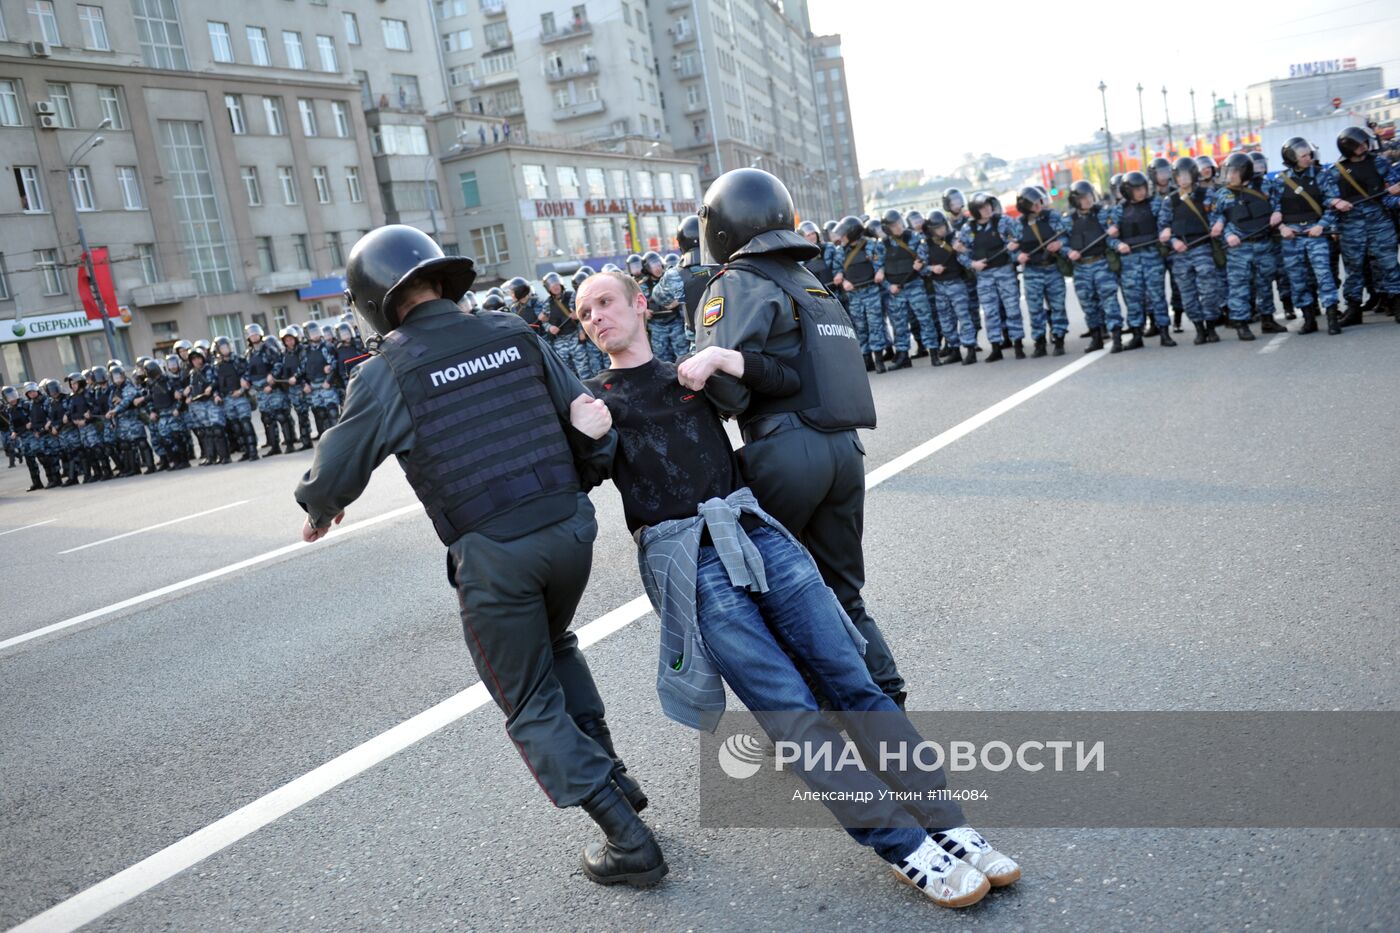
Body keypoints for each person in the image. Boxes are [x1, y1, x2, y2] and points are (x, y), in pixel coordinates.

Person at [575, 269, 1019, 910]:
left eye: (605, 303)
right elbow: (581, 479)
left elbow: (786, 383)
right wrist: (586, 438)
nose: (595, 318)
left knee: (852, 681)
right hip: (686, 561)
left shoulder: (689, 376)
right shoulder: (596, 399)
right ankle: (907, 849)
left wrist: (724, 358)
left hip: (756, 531)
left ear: (639, 305)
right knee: (790, 711)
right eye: (584, 313)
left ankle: (950, 826)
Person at [295, 225, 665, 888]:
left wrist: (320, 506)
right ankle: (617, 778)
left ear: (376, 299)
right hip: (570, 531)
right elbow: (584, 412)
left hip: (498, 554)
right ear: (441, 277)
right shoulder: (513, 331)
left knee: (526, 699)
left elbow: (331, 476)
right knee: (554, 646)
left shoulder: (388, 372)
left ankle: (627, 836)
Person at [688, 168, 908, 708]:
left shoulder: (737, 283)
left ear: (720, 227)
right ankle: (887, 697)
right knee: (842, 590)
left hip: (785, 448)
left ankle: (806, 719)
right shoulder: (811, 283)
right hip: (843, 451)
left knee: (771, 593)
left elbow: (727, 393)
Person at [1325, 125, 1400, 325]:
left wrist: (1394, 193)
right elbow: (1328, 199)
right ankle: (1353, 308)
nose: (1363, 146)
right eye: (1358, 144)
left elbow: (1391, 193)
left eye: (1364, 142)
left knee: (1389, 263)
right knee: (1354, 268)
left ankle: (1396, 301)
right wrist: (1336, 206)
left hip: (1379, 220)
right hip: (1351, 224)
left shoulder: (1380, 163)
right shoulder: (1335, 172)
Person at [1273, 137, 1340, 335]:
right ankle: (1309, 319)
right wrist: (1282, 227)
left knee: (1324, 275)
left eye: (1308, 154)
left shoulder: (1322, 175)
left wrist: (1322, 225)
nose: (1307, 158)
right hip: (1292, 237)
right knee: (1297, 278)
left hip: (1315, 233)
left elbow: (1332, 203)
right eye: (1302, 155)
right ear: (1291, 158)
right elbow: (1275, 210)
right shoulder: (1280, 181)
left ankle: (1332, 317)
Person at [1210, 152, 1280, 341]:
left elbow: (1277, 205)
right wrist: (1227, 233)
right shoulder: (1223, 194)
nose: (1230, 176)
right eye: (1228, 172)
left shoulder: (1264, 186)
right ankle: (1241, 323)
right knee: (1239, 286)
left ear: (1245, 172)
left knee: (1265, 283)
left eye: (1234, 172)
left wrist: (1277, 214)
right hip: (1239, 247)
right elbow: (1216, 218)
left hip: (1263, 242)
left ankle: (1267, 319)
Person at [1157, 157, 1225, 345]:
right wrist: (1172, 241)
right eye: (1179, 176)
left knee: (1210, 290)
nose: (1183, 179)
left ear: (1193, 174)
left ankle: (1211, 326)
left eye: (1186, 175)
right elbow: (1162, 227)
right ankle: (1199, 329)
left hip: (1202, 247)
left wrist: (1217, 224)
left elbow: (1217, 213)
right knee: (1187, 294)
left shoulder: (1207, 194)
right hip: (1180, 253)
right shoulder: (1170, 201)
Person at [1108, 172, 1176, 350]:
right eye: (1137, 189)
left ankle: (1164, 332)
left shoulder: (1155, 204)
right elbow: (1109, 237)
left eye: (1143, 188)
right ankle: (1137, 334)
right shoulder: (1118, 210)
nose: (1141, 192)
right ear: (1127, 191)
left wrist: (1165, 230)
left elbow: (1165, 222)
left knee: (1157, 295)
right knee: (1133, 298)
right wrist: (1118, 244)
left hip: (1152, 255)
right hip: (1129, 259)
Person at [957, 192, 1024, 361]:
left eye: (988, 206)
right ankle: (995, 346)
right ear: (974, 210)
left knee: (1012, 308)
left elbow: (1019, 237)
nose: (987, 209)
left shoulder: (1003, 221)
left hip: (1004, 271)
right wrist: (973, 264)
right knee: (990, 311)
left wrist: (1014, 245)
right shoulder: (968, 229)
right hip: (984, 276)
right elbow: (961, 254)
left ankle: (1018, 344)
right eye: (982, 207)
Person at [1064, 180, 1123, 352]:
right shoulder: (1069, 220)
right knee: (1088, 304)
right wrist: (1068, 252)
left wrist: (1114, 231)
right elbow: (1062, 241)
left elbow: (1112, 232)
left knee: (1109, 301)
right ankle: (1096, 337)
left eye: (1089, 196)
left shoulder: (1102, 214)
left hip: (1101, 263)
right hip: (1081, 267)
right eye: (1083, 198)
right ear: (1075, 200)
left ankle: (1117, 337)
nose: (1088, 200)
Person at [1014, 186, 1071, 356]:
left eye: (1039, 201)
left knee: (1058, 306)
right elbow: (1010, 247)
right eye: (1033, 203)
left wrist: (1059, 244)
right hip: (1032, 271)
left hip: (1052, 267)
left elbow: (1066, 234)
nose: (1038, 205)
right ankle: (1039, 342)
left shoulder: (1052, 216)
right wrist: (1018, 256)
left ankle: (1059, 339)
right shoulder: (1018, 224)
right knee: (1035, 308)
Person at [880, 209, 940, 368]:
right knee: (899, 325)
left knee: (925, 320)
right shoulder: (883, 245)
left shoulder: (914, 238)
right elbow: (878, 270)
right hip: (895, 290)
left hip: (914, 286)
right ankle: (903, 356)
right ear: (887, 228)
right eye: (894, 225)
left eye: (899, 222)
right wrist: (888, 286)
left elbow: (927, 260)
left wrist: (921, 265)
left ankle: (934, 352)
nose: (898, 226)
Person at [831, 214, 886, 372]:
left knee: (875, 325)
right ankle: (866, 359)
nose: (841, 236)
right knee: (860, 327)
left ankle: (879, 360)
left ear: (853, 232)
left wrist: (879, 271)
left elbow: (878, 262)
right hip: (854, 295)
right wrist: (843, 280)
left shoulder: (870, 246)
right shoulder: (841, 251)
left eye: (844, 233)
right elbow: (838, 270)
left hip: (871, 292)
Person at [923, 210, 978, 363]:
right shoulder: (926, 245)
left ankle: (970, 349)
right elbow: (920, 265)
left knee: (963, 317)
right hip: (939, 286)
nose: (942, 230)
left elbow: (969, 259)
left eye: (943, 226)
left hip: (956, 283)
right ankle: (954, 350)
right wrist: (932, 269)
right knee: (945, 320)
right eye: (937, 227)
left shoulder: (955, 239)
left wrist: (963, 250)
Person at [213, 336, 259, 462]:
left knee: (245, 423)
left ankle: (253, 451)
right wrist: (216, 395)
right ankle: (246, 451)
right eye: (222, 347)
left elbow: (248, 375)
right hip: (227, 399)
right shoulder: (217, 366)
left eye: (226, 346)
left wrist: (242, 390)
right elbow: (214, 383)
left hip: (241, 397)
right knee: (236, 427)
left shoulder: (239, 360)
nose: (225, 349)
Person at [244, 323, 288, 455]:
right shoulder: (249, 353)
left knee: (281, 416)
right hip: (260, 391)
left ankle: (290, 443)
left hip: (272, 388)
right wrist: (245, 380)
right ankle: (275, 447)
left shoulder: (268, 348)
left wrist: (272, 379)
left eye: (255, 333)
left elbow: (279, 364)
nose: (253, 336)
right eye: (250, 334)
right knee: (268, 419)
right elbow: (248, 370)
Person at [639, 251, 688, 363]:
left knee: (684, 356)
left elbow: (685, 292)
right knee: (662, 359)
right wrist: (644, 312)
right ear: (647, 268)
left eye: (658, 263)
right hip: (657, 327)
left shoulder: (671, 278)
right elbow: (632, 305)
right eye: (653, 265)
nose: (657, 267)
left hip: (675, 322)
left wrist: (677, 301)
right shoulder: (642, 286)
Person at [184, 347, 230, 465]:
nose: (196, 361)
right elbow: (193, 387)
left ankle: (224, 456)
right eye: (193, 359)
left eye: (198, 358)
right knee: (206, 432)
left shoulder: (210, 368)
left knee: (217, 429)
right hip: (199, 403)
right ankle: (211, 457)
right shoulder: (193, 373)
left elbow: (217, 381)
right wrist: (189, 395)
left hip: (211, 401)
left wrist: (213, 389)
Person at [278, 325, 314, 450]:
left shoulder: (302, 350)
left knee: (318, 412)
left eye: (291, 339)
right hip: (293, 389)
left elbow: (304, 365)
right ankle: (306, 441)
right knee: (301, 414)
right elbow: (281, 368)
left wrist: (296, 377)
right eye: (286, 340)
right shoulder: (284, 354)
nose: (289, 342)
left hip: (304, 385)